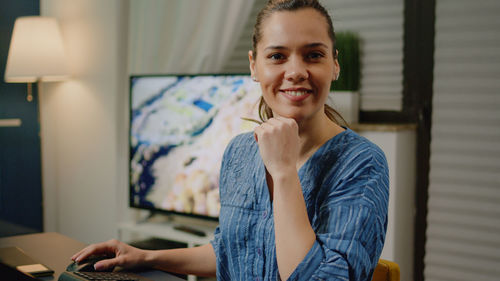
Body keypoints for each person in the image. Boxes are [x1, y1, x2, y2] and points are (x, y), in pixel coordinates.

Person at [71, 0, 389, 280]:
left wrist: (283, 171)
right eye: (277, 55)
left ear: (334, 64)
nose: (295, 71)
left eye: (313, 55)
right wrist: (146, 257)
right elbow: (230, 252)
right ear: (254, 65)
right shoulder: (240, 151)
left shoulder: (362, 164)